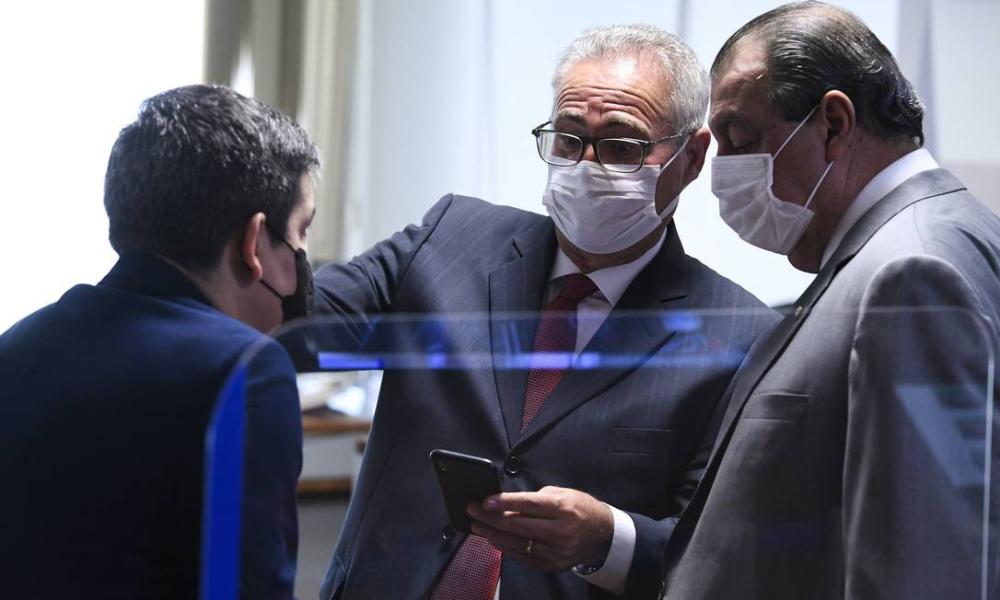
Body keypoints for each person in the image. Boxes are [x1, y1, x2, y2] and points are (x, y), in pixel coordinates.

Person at [311, 25, 777, 600]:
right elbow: (298, 318)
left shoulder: (741, 337)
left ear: (692, 157)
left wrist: (608, 539)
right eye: (569, 139)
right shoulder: (450, 239)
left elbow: (719, 551)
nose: (586, 165)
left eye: (622, 146)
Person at [659, 3, 1000, 599]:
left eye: (741, 140)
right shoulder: (901, 249)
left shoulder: (913, 271)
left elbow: (925, 564)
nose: (722, 175)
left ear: (834, 125)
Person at [0, 84, 320, 599]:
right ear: (254, 242)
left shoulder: (17, 345)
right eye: (301, 232)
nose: (304, 257)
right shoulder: (245, 374)